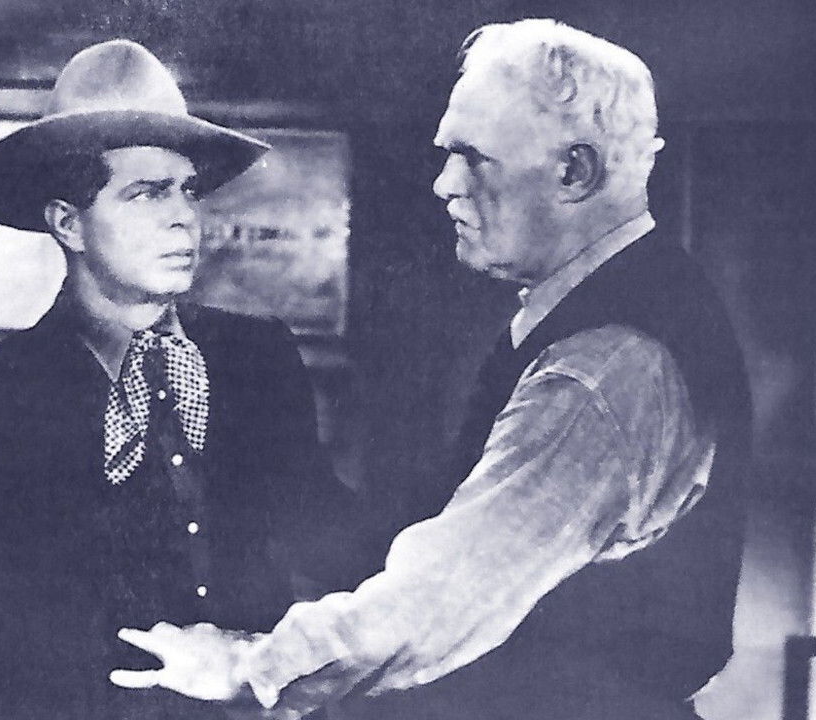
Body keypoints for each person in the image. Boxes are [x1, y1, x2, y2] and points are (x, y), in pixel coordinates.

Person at [112, 19, 753, 720]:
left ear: (575, 172)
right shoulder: (617, 309)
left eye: (474, 158)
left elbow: (444, 596)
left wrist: (246, 666)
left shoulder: (602, 369)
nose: (444, 184)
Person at [0, 39, 365, 720]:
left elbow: (326, 534)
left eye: (188, 190)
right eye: (146, 193)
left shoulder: (256, 356)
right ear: (69, 223)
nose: (184, 216)